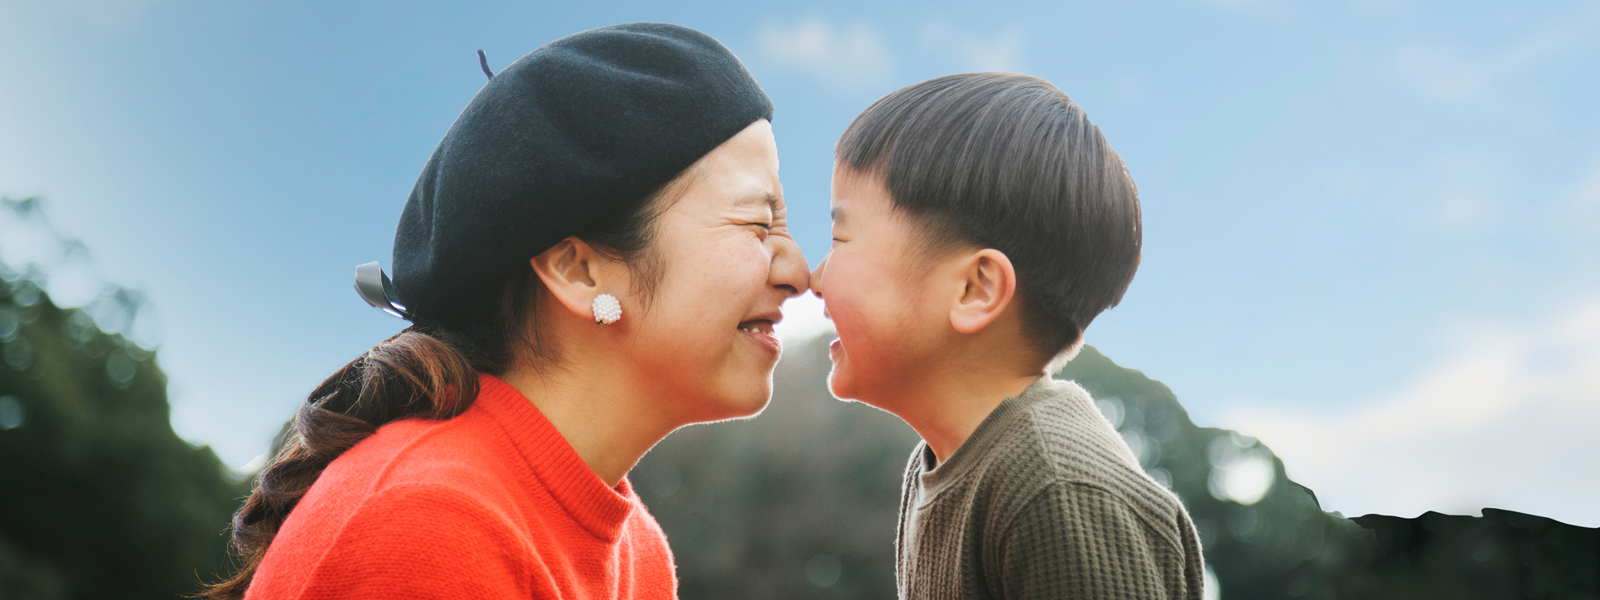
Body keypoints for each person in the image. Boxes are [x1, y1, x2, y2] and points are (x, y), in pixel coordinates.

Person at [204, 23, 808, 599]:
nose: (797, 272)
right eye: (757, 223)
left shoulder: (634, 549)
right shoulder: (425, 525)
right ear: (579, 270)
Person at [809, 72, 1205, 599]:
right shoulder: (947, 464)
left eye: (840, 237)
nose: (813, 278)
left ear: (975, 288)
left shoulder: (1057, 487)